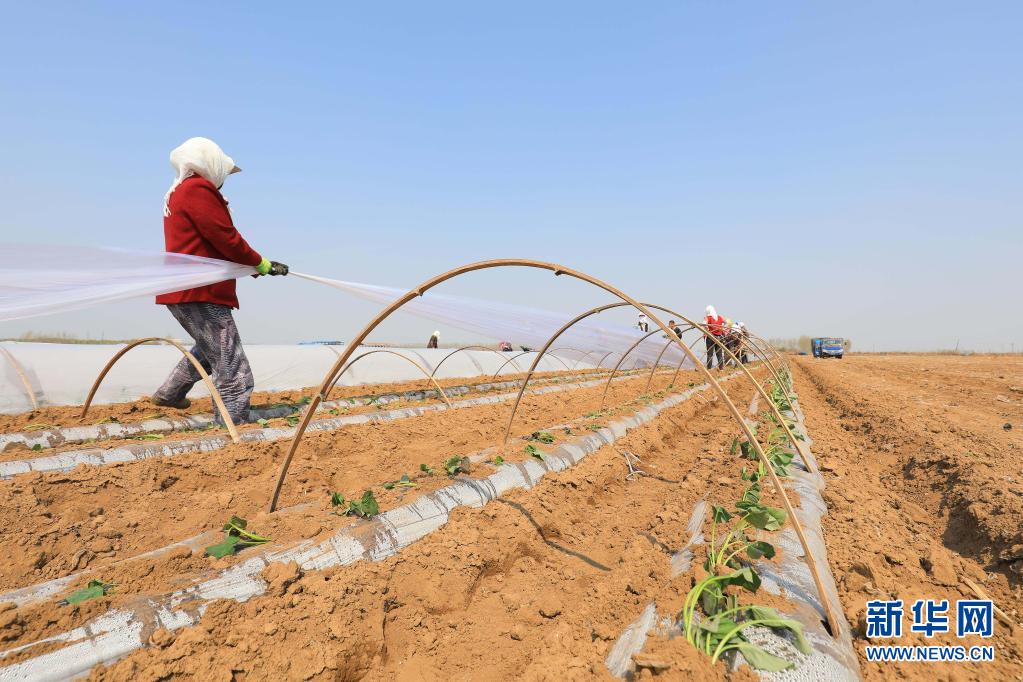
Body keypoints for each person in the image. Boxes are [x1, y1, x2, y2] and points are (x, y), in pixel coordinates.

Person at [151, 137, 288, 426]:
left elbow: (211, 242)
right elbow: (224, 237)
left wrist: (256, 266)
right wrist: (259, 262)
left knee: (209, 347)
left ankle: (170, 393)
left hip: (186, 289)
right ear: (209, 164)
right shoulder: (198, 189)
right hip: (200, 291)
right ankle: (232, 428)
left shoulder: (178, 192)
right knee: (233, 367)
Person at [703, 305, 726, 369]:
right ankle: (721, 368)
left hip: (711, 337)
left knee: (710, 354)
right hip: (719, 337)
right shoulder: (719, 317)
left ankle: (709, 368)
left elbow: (704, 324)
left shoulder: (708, 317)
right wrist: (721, 328)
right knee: (719, 354)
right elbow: (725, 322)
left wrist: (707, 330)